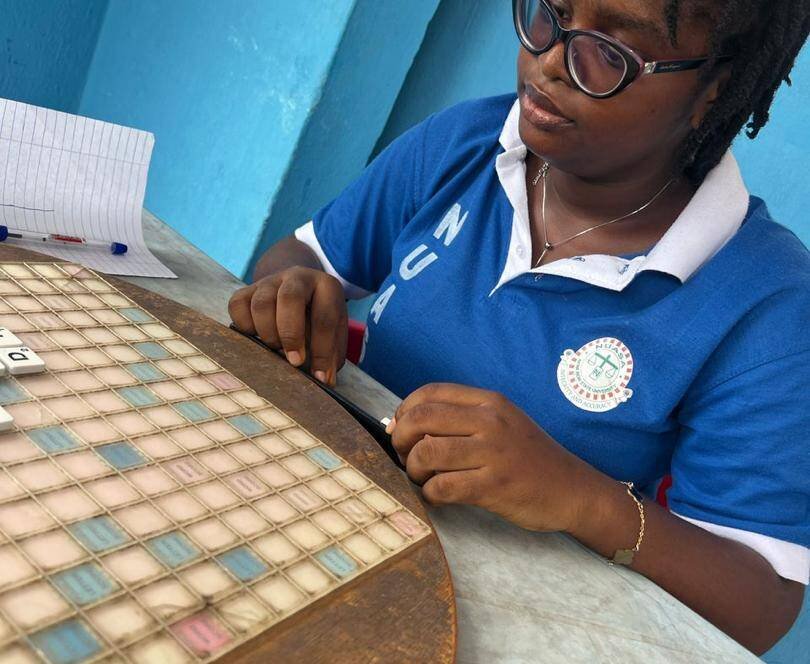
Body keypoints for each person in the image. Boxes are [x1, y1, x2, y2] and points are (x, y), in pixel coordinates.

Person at [229, 0, 810, 652]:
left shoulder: (765, 302)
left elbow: (762, 602)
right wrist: (294, 291)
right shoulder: (467, 144)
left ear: (714, 89)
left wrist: (578, 497)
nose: (550, 62)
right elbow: (304, 256)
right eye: (549, 13)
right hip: (312, 522)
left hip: (498, 628)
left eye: (609, 53)